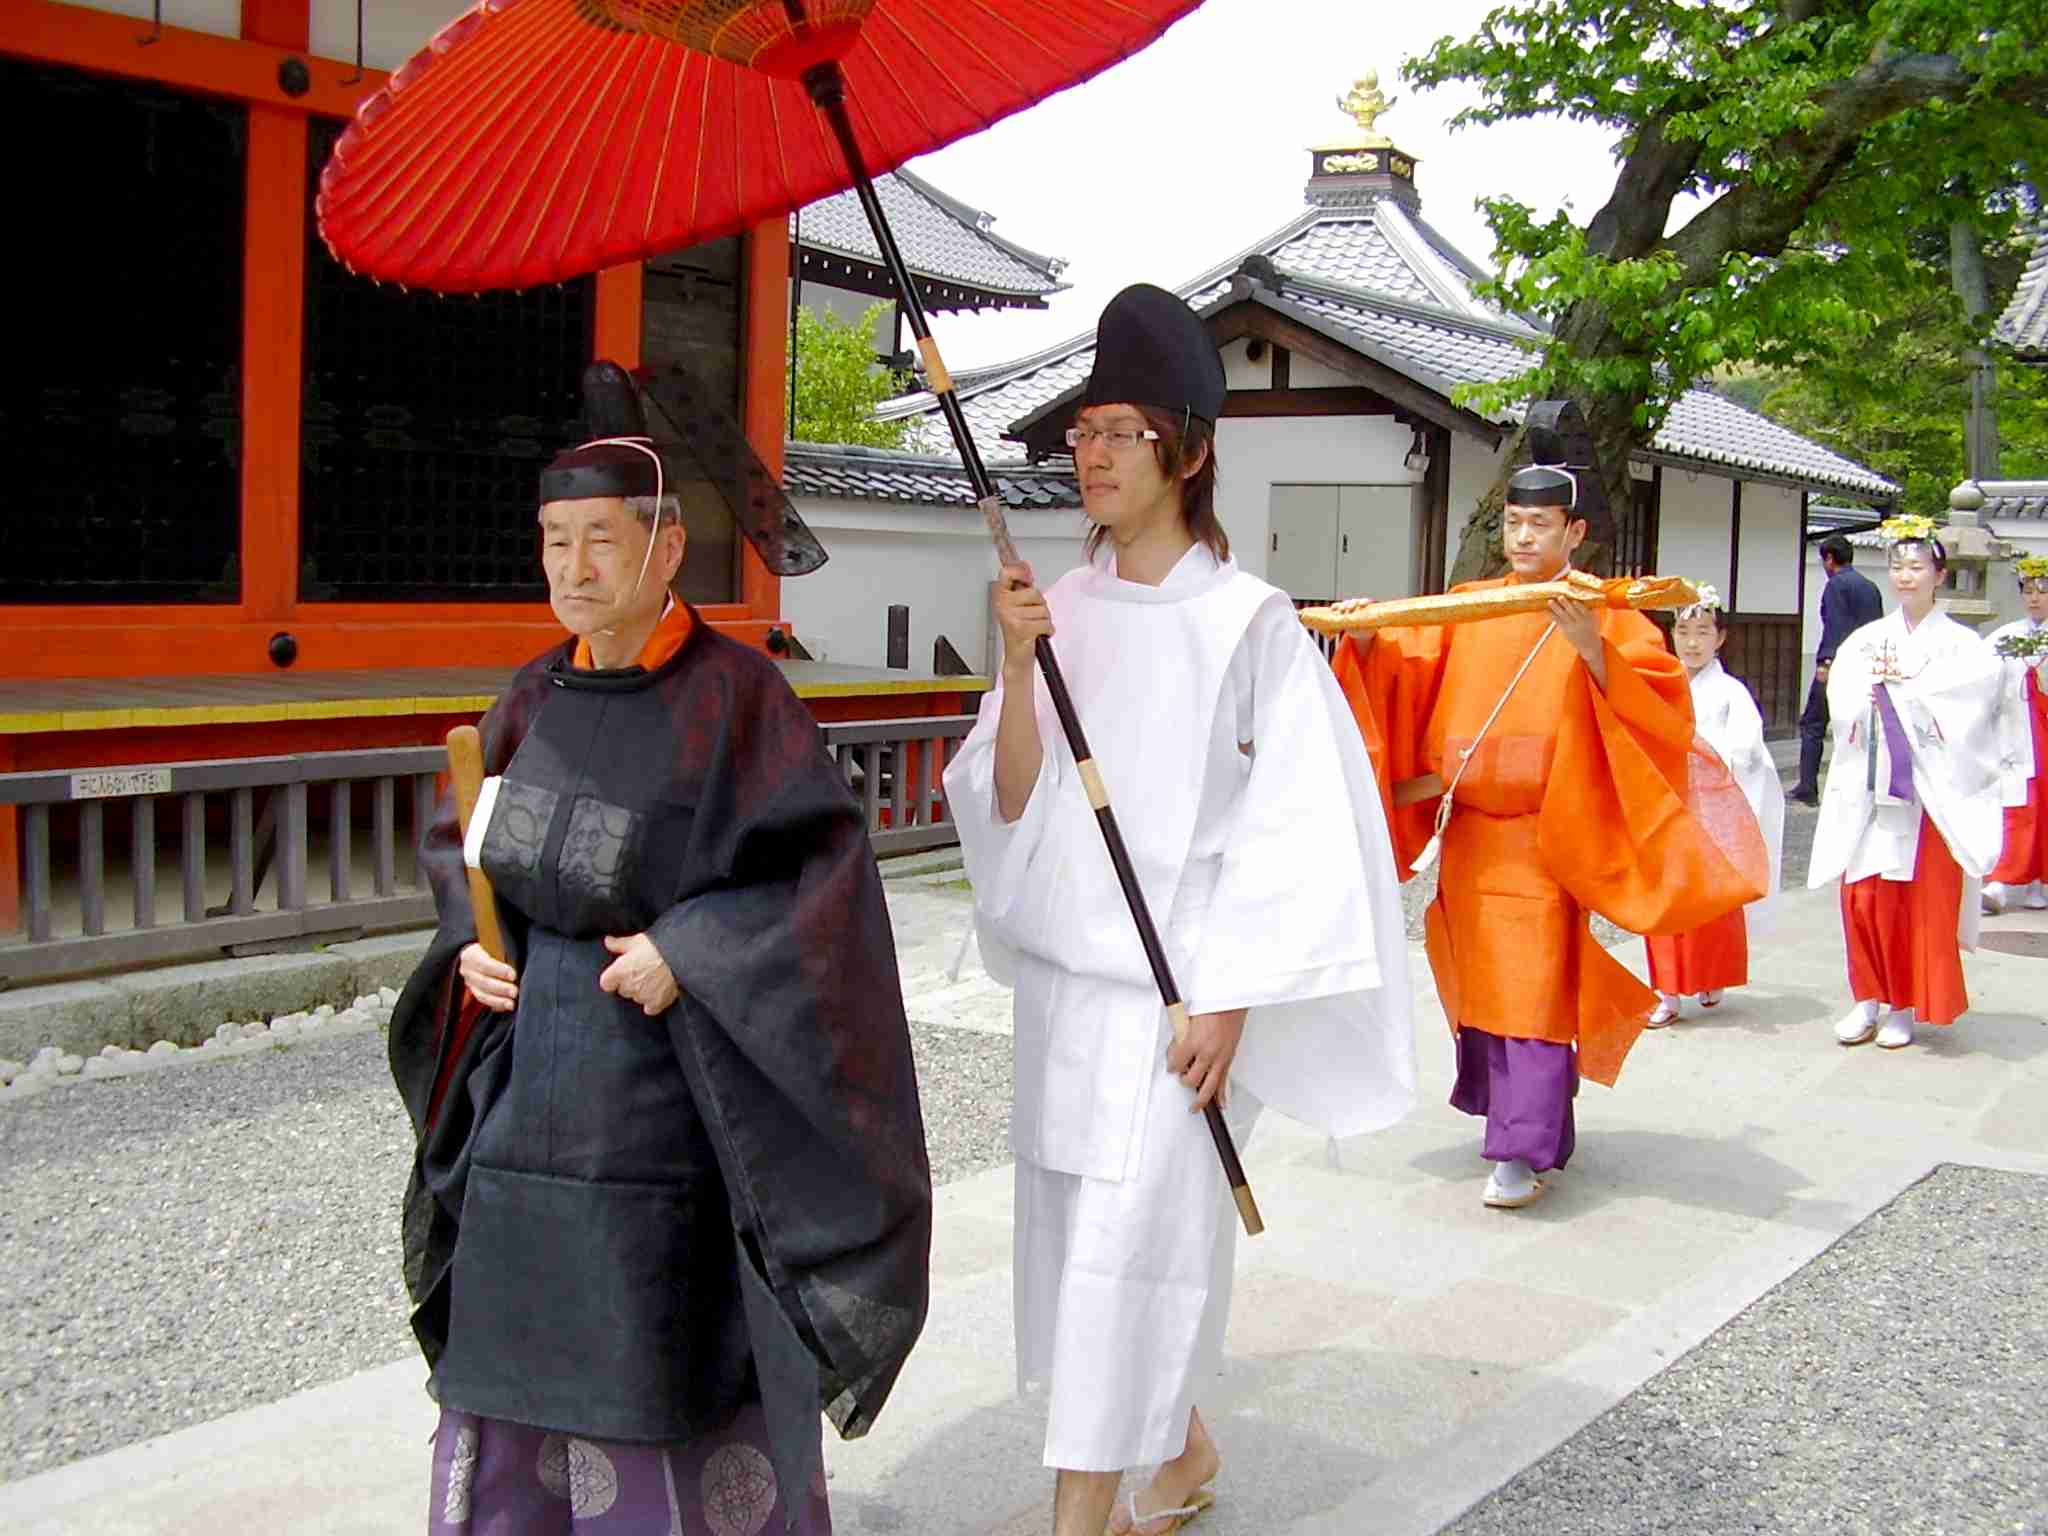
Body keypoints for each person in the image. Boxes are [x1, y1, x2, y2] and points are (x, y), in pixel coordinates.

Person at [387, 409, 931, 1534]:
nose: (571, 569)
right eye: (552, 541)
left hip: (668, 1107)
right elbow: (472, 844)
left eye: (598, 539)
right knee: (521, 1348)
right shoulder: (533, 695)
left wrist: (694, 949)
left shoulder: (739, 700)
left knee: (658, 1353)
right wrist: (474, 949)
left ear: (664, 548)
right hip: (529, 1097)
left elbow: (819, 879)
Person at [944, 284, 1416, 1536]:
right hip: (1068, 994)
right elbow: (1005, 799)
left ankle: (1078, 1517)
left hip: (1174, 998)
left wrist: (1233, 994)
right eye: (1082, 431)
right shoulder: (1060, 608)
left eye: (1121, 432)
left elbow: (1304, 825)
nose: (1092, 454)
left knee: (1125, 1257)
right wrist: (1013, 665)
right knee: (1078, 1251)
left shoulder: (1249, 623)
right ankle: (1181, 1452)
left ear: (1189, 449)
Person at [1332, 460, 1764, 1211]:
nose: (1523, 536)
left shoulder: (1610, 614)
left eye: (1540, 524)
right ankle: (1527, 1130)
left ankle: (1519, 1150)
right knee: (1480, 983)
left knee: (1531, 988)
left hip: (1549, 832)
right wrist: (1366, 638)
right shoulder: (1468, 606)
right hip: (1470, 830)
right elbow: (1407, 669)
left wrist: (1593, 650)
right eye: (1513, 522)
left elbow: (1661, 708)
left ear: (1576, 533)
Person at [1808, 515, 2005, 1049]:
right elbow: (1844, 702)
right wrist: (1873, 703)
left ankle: (1902, 1004)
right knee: (1864, 899)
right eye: (1898, 566)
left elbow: (1975, 707)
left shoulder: (1965, 646)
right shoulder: (1867, 640)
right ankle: (1866, 997)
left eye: (1917, 566)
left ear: (1939, 574)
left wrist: (1912, 703)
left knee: (1912, 904)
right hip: (1871, 786)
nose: (1906, 575)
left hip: (1926, 794)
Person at [1644, 590, 1786, 1026]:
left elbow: (1747, 749)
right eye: (1683, 631)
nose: (1691, 643)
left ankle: (1710, 974)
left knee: (1711, 903)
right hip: (1667, 802)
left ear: (1720, 638)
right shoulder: (1658, 681)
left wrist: (1707, 755)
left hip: (1713, 808)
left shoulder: (1731, 691)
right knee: (1664, 899)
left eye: (1702, 632)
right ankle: (1666, 990)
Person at [1791, 533, 1885, 805]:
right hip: (1867, 664)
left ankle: (1808, 785)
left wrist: (1825, 662)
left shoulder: (1836, 586)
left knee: (1813, 723)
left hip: (1839, 663)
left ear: (1830, 559)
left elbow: (1835, 625)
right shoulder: (1871, 587)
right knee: (1859, 726)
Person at [1980, 557, 2048, 914]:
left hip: (2044, 733)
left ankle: (2039, 881)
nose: (2034, 598)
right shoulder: (2005, 637)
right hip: (2016, 735)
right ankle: (2001, 882)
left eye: (2042, 590)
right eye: (2028, 590)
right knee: (2018, 809)